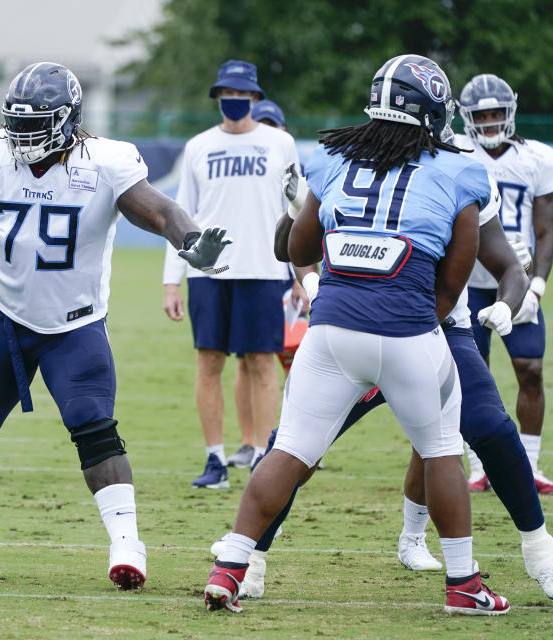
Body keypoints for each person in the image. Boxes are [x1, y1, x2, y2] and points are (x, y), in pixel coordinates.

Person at [0, 61, 230, 589]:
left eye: (34, 124)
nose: (21, 135)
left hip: (74, 322)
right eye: (15, 122)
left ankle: (128, 546)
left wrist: (190, 241)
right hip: (3, 313)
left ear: (66, 120)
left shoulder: (106, 159)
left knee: (93, 426)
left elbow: (156, 210)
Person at [204, 54, 510, 616]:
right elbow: (457, 273)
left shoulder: (335, 159)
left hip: (331, 332)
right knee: (441, 449)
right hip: (409, 332)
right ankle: (464, 585)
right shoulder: (459, 170)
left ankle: (232, 565)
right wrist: (416, 317)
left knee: (291, 448)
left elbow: (296, 249)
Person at [214, 166, 553, 602]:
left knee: (488, 426)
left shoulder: (458, 172)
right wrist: (296, 213)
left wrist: (508, 302)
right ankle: (253, 558)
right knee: (298, 447)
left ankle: (538, 551)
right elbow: (290, 247)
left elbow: (503, 264)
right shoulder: (345, 163)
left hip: (425, 327)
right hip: (366, 328)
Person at [161, 60, 306, 488]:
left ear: (256, 98)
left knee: (262, 363)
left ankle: (262, 456)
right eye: (226, 94)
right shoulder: (199, 146)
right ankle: (214, 460)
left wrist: (301, 274)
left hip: (265, 270)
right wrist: (173, 280)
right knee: (209, 364)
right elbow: (179, 215)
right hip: (208, 270)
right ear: (217, 97)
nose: (234, 101)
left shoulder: (280, 144)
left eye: (242, 94)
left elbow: (297, 213)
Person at [455, 74, 553, 494]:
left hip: (517, 281)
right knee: (469, 376)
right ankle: (479, 466)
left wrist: (536, 286)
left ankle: (528, 465)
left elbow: (546, 229)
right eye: (482, 115)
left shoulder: (536, 158)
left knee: (530, 369)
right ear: (467, 118)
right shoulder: (456, 154)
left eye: (497, 113)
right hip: (466, 282)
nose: (490, 121)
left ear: (510, 112)